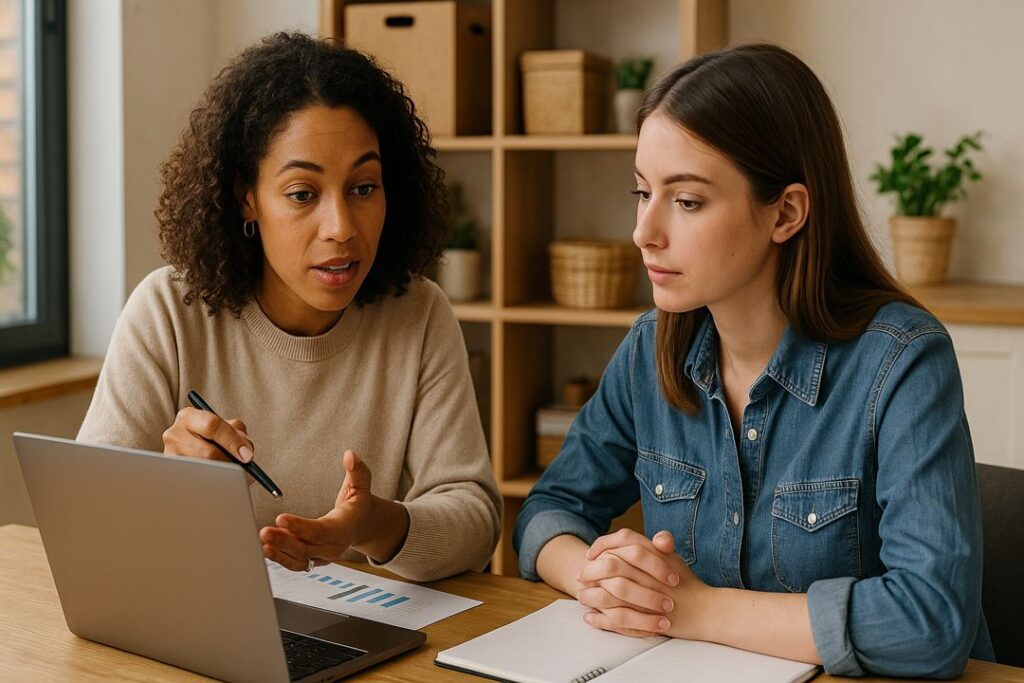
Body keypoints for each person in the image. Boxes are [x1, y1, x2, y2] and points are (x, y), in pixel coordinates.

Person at [513, 44, 994, 677]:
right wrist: (602, 580)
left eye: (686, 201)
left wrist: (693, 609)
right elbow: (546, 514)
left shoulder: (903, 362)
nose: (643, 232)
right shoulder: (649, 348)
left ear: (785, 212)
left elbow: (930, 622)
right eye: (641, 191)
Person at [78, 32, 500, 583]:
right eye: (303, 194)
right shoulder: (167, 312)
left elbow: (476, 521)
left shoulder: (418, 314)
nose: (342, 228)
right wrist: (168, 485)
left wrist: (374, 524)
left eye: (364, 188)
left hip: (367, 640)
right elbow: (87, 520)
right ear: (247, 197)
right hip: (201, 627)